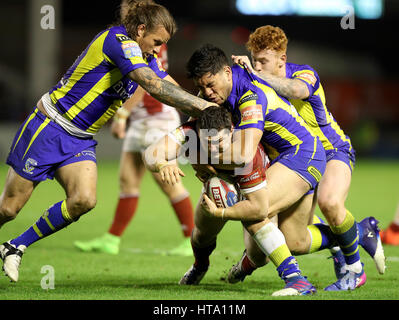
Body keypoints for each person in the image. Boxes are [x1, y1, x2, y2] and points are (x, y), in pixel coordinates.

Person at [0, 1, 217, 283]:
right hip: (50, 127)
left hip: (79, 139)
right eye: (156, 42)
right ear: (140, 30)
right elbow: (152, 85)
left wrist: (207, 103)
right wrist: (206, 111)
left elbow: (167, 82)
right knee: (8, 208)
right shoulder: (117, 41)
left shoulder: (145, 56)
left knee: (84, 200)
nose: (157, 49)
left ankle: (15, 246)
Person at [231, 25, 385, 290]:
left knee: (330, 202)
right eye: (255, 60)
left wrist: (255, 74)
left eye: (263, 61)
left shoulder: (303, 73)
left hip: (332, 150)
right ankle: (359, 232)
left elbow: (298, 91)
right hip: (297, 160)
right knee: (294, 241)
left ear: (282, 59)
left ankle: (354, 270)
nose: (258, 65)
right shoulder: (255, 84)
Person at [144, 105, 317, 296]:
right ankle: (199, 266)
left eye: (218, 142)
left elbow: (258, 209)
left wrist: (221, 213)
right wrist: (163, 164)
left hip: (255, 191)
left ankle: (265, 271)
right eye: (206, 142)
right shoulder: (190, 132)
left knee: (259, 256)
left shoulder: (246, 153)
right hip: (219, 185)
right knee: (202, 234)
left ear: (232, 132)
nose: (212, 148)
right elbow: (151, 153)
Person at [74, 43, 195, 256]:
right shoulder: (136, 39)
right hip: (141, 120)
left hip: (157, 120)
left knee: (169, 182)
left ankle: (192, 241)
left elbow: (143, 82)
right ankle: (111, 239)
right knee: (127, 181)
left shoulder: (146, 42)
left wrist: (121, 116)